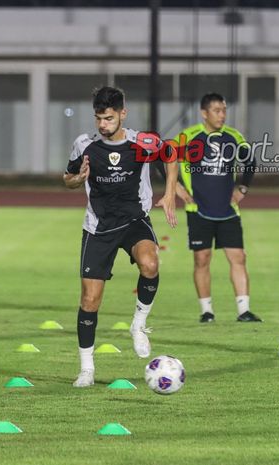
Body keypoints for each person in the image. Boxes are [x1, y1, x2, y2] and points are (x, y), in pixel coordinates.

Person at [63, 86, 177, 387]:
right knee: (90, 299)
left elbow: (171, 154)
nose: (103, 124)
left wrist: (168, 194)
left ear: (122, 114)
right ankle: (87, 368)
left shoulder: (142, 142)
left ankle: (138, 325)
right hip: (98, 226)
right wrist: (79, 179)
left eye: (109, 118)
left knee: (150, 264)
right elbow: (68, 178)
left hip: (134, 220)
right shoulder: (84, 144)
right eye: (99, 118)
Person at [173, 93, 262, 323]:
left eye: (223, 110)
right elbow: (165, 159)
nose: (222, 115)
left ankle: (244, 311)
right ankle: (207, 312)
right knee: (202, 260)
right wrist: (177, 188)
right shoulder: (189, 137)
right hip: (198, 210)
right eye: (216, 110)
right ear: (204, 113)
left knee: (238, 258)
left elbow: (250, 161)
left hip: (228, 211)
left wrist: (242, 188)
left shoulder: (233, 137)